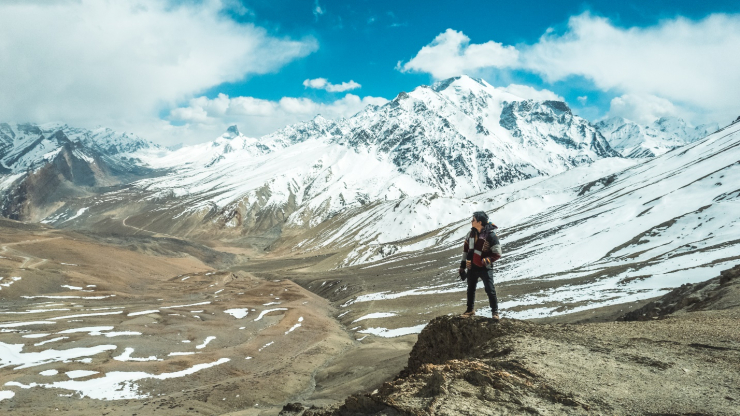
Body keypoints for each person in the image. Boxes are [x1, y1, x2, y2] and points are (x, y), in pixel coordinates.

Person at [458, 211, 502, 320]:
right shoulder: (470, 234)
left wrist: (486, 260)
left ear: (480, 222)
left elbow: (497, 253)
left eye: (473, 220)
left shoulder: (491, 235)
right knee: (470, 289)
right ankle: (470, 310)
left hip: (485, 268)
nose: (471, 221)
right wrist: (462, 267)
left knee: (490, 289)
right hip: (472, 267)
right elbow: (465, 251)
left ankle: (495, 312)